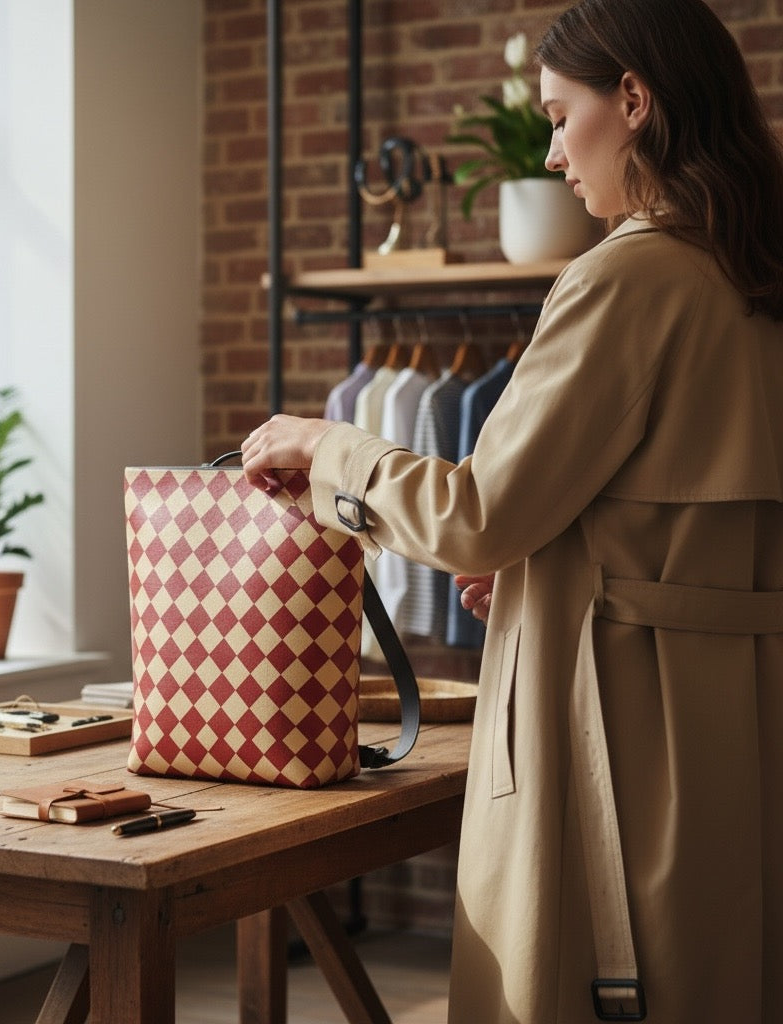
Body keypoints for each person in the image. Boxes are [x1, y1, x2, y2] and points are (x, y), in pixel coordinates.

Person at [241, 0, 783, 1020]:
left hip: (621, 731)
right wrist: (557, 562)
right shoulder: (754, 278)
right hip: (743, 729)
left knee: (593, 979)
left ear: (631, 101)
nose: (550, 152)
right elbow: (678, 528)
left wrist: (327, 445)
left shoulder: (625, 278)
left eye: (556, 113)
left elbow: (478, 512)